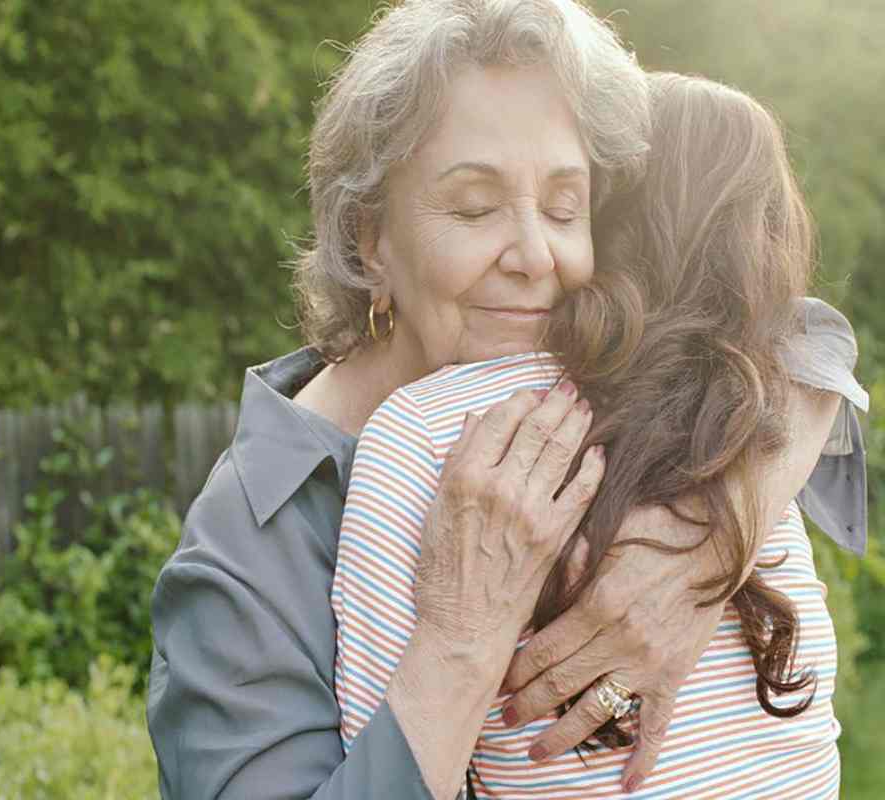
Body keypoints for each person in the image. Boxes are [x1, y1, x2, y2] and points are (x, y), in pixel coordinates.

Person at [146, 2, 868, 798]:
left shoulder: (599, 377)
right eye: (474, 207)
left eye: (566, 208)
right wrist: (460, 640)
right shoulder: (247, 548)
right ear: (368, 239)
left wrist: (705, 546)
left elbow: (801, 332)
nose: (535, 255)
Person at [333, 72, 845, 799]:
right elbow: (816, 333)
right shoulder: (760, 436)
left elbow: (390, 769)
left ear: (601, 213)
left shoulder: (428, 432)